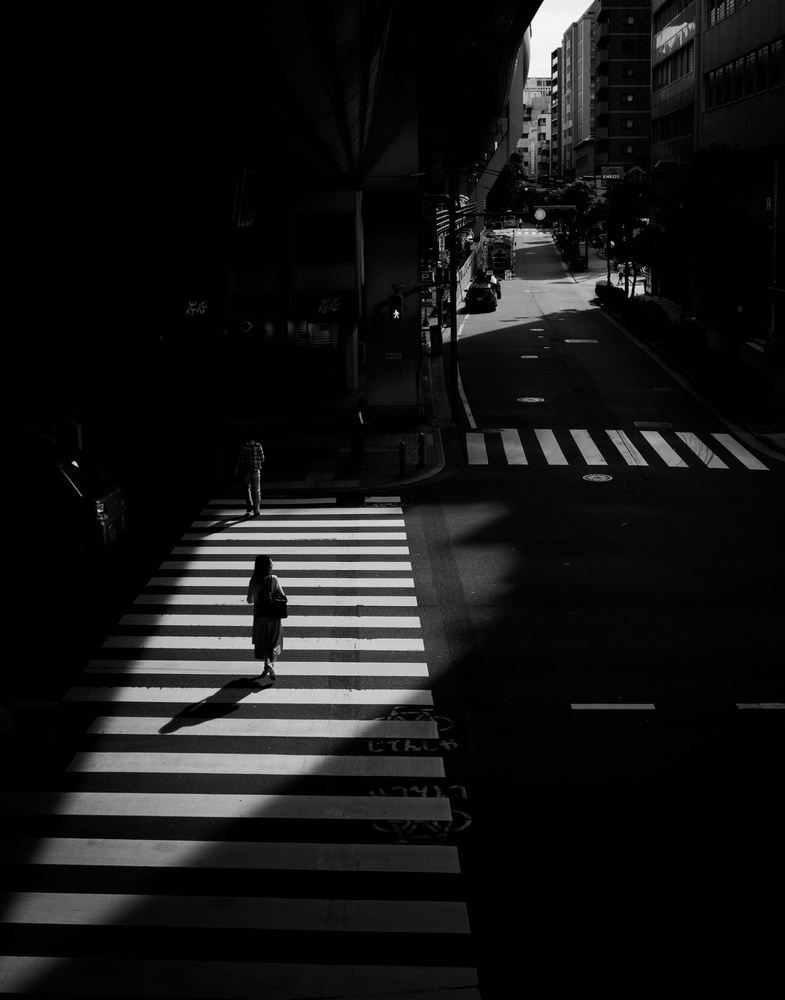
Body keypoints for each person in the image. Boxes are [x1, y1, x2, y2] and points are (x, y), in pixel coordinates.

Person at [247, 554, 285, 680]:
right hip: (273, 616)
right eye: (271, 563)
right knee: (274, 641)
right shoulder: (273, 579)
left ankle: (265, 665)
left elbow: (249, 600)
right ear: (267, 566)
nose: (272, 565)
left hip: (259, 617)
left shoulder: (253, 581)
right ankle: (272, 664)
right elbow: (283, 596)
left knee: (263, 642)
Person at [235, 434, 264, 516]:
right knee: (256, 490)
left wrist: (237, 469)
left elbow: (240, 459)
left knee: (247, 488)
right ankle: (256, 509)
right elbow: (262, 458)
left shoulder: (244, 446)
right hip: (255, 470)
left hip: (246, 471)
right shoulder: (258, 445)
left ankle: (249, 505)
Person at [349, 398, 371, 472]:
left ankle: (358, 465)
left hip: (360, 435)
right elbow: (354, 425)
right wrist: (364, 425)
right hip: (356, 435)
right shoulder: (354, 413)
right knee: (355, 451)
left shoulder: (361, 412)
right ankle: (353, 467)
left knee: (359, 451)